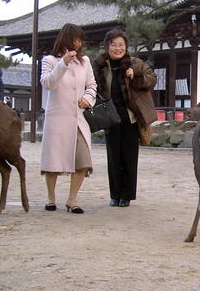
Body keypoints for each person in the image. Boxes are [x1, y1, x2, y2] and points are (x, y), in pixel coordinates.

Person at [93, 29, 157, 207]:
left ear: (126, 47)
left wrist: (134, 75)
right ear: (107, 47)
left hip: (130, 117)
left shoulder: (135, 63)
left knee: (129, 156)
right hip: (110, 117)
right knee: (113, 157)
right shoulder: (100, 66)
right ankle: (115, 194)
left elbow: (152, 78)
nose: (117, 48)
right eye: (114, 45)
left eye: (121, 45)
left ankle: (126, 195)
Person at [40, 23, 97, 214]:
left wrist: (88, 99)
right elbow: (48, 83)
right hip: (57, 117)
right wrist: (63, 63)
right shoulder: (49, 60)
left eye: (80, 40)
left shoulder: (85, 62)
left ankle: (72, 199)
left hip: (78, 118)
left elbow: (91, 85)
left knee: (83, 159)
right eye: (73, 40)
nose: (77, 43)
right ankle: (50, 197)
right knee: (53, 161)